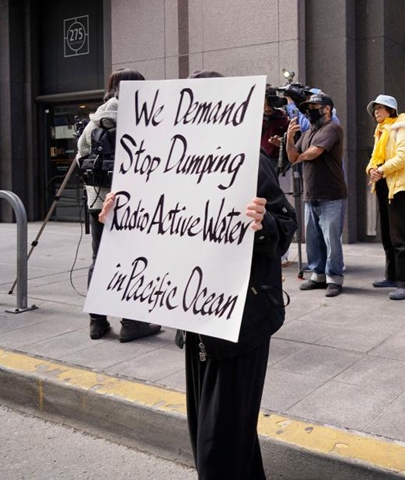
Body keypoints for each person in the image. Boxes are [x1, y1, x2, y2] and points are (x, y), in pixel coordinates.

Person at [100, 69, 297, 479]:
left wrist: (265, 224)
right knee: (219, 435)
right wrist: (115, 220)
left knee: (217, 445)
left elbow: (285, 225)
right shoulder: (165, 165)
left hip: (244, 321)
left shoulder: (251, 163)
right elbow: (156, 230)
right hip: (197, 322)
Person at [76, 68, 162, 342]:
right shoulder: (138, 116)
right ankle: (132, 322)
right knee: (133, 260)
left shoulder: (95, 121)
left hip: (98, 202)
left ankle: (97, 322)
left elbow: (81, 160)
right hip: (131, 204)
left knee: (99, 260)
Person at [286, 93, 347, 297]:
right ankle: (318, 275)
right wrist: (288, 138)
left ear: (327, 109)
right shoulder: (310, 131)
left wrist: (298, 157)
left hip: (331, 194)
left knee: (331, 239)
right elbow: (293, 155)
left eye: (314, 106)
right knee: (313, 238)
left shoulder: (332, 128)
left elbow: (314, 152)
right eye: (308, 106)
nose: (309, 110)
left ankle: (334, 278)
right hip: (311, 194)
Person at [365, 94, 405, 300]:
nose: (376, 112)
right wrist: (371, 169)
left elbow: (404, 157)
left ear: (391, 110)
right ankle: (393, 276)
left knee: (400, 237)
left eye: (380, 108)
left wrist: (381, 170)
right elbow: (373, 158)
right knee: (387, 235)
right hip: (383, 185)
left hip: (399, 187)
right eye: (375, 109)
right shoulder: (380, 130)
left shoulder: (401, 128)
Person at [260, 85, 289, 169]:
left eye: (269, 105)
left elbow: (294, 143)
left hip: (276, 162)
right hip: (258, 159)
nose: (267, 109)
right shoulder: (253, 117)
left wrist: (281, 143)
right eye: (263, 105)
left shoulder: (284, 117)